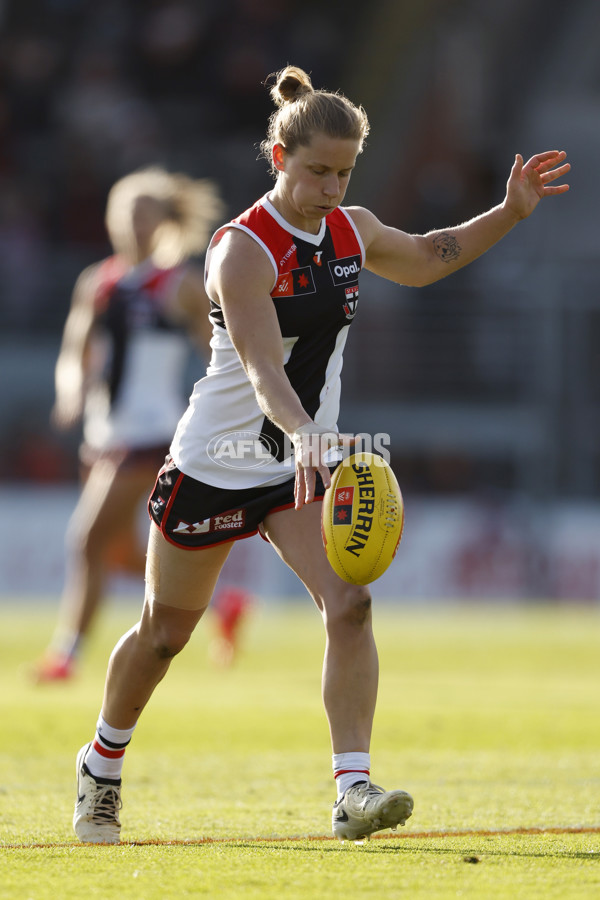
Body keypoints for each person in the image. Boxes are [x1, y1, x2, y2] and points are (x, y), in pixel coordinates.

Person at [72, 65, 570, 844]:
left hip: (296, 467)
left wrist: (508, 212)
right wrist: (304, 431)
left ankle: (352, 790)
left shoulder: (353, 228)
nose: (332, 188)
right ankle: (101, 766)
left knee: (351, 601)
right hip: (217, 460)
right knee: (164, 635)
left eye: (344, 172)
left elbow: (430, 255)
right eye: (317, 172)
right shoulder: (240, 250)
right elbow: (264, 366)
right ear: (279, 160)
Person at [34, 167, 252, 683]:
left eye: (142, 214)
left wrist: (234, 413)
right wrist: (71, 391)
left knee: (85, 541)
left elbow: (219, 354)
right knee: (118, 551)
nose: (131, 225)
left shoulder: (178, 286)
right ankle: (224, 604)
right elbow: (75, 349)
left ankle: (66, 655)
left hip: (153, 434)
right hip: (104, 433)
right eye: (124, 214)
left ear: (164, 222)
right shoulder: (99, 281)